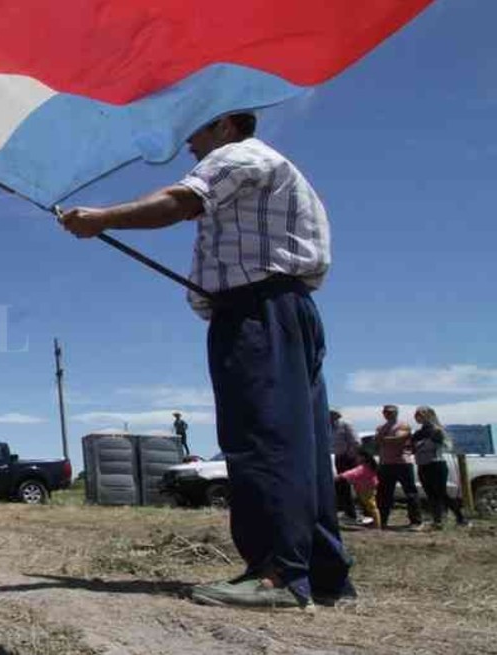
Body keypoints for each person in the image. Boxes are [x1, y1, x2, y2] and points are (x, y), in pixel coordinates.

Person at [58, 113, 351, 608]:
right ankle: (323, 576)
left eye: (194, 131)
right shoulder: (267, 164)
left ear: (226, 125)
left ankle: (276, 574)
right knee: (299, 443)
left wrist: (102, 219)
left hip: (257, 311)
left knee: (260, 437)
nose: (188, 144)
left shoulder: (237, 155)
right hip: (285, 307)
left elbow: (178, 202)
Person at [412, 406, 468, 529]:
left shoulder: (436, 430)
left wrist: (420, 445)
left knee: (441, 493)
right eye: (416, 415)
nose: (417, 417)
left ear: (429, 415)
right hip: (422, 465)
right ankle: (437, 520)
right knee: (430, 494)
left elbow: (431, 446)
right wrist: (419, 445)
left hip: (436, 464)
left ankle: (461, 518)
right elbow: (413, 448)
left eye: (420, 414)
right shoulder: (418, 432)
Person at [376, 405, 423, 530]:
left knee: (410, 492)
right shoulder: (381, 427)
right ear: (383, 413)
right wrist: (384, 439)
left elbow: (399, 440)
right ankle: (382, 521)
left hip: (402, 463)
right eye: (386, 412)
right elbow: (377, 441)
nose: (388, 414)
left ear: (396, 413)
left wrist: (383, 439)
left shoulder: (403, 425)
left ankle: (416, 522)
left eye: (391, 412)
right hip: (385, 464)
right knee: (384, 494)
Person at [336, 449, 381, 529]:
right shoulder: (370, 466)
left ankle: (377, 525)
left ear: (363, 457)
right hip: (367, 488)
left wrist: (340, 476)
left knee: (371, 506)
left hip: (365, 489)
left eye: (358, 456)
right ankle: (374, 523)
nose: (356, 458)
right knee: (369, 506)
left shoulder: (363, 467)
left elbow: (353, 473)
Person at [330, 410, 361, 522]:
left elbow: (356, 442)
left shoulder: (345, 425)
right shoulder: (328, 428)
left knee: (356, 486)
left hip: (348, 458)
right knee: (341, 486)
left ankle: (366, 513)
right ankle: (349, 513)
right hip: (337, 458)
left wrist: (350, 455)